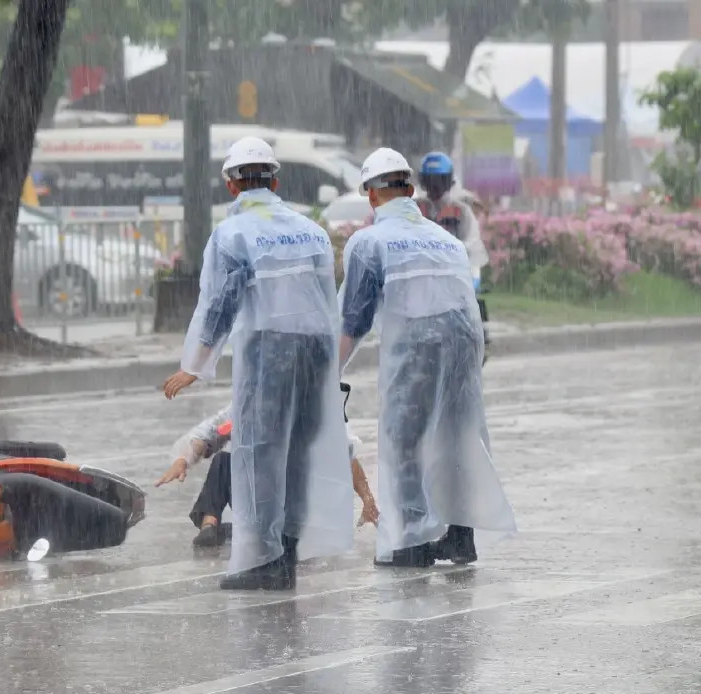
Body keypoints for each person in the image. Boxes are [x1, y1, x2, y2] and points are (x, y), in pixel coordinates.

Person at [162, 136, 354, 591]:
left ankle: (264, 559)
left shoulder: (232, 234)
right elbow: (326, 301)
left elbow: (219, 303)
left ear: (232, 186)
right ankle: (286, 553)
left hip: (269, 347)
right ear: (277, 180)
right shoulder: (311, 230)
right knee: (299, 454)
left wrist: (196, 363)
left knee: (258, 453)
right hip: (315, 349)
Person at [338, 147, 516, 568]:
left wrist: (330, 373)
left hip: (419, 340)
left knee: (405, 438)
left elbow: (353, 320)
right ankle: (459, 536)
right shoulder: (447, 239)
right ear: (411, 189)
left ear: (370, 195)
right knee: (456, 436)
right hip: (466, 340)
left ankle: (412, 541)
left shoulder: (368, 242)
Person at [156, 382, 379, 547]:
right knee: (223, 460)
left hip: (297, 500)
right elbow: (210, 432)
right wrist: (182, 459)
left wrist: (368, 500)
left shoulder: (312, 408)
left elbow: (346, 453)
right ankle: (209, 525)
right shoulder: (249, 402)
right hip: (258, 496)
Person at [416, 151, 492, 359]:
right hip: (423, 271)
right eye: (431, 181)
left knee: (466, 299)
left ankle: (476, 336)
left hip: (458, 269)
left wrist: (451, 251)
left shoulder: (461, 211)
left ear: (448, 181)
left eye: (440, 180)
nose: (435, 187)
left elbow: (471, 241)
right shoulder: (414, 209)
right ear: (423, 181)